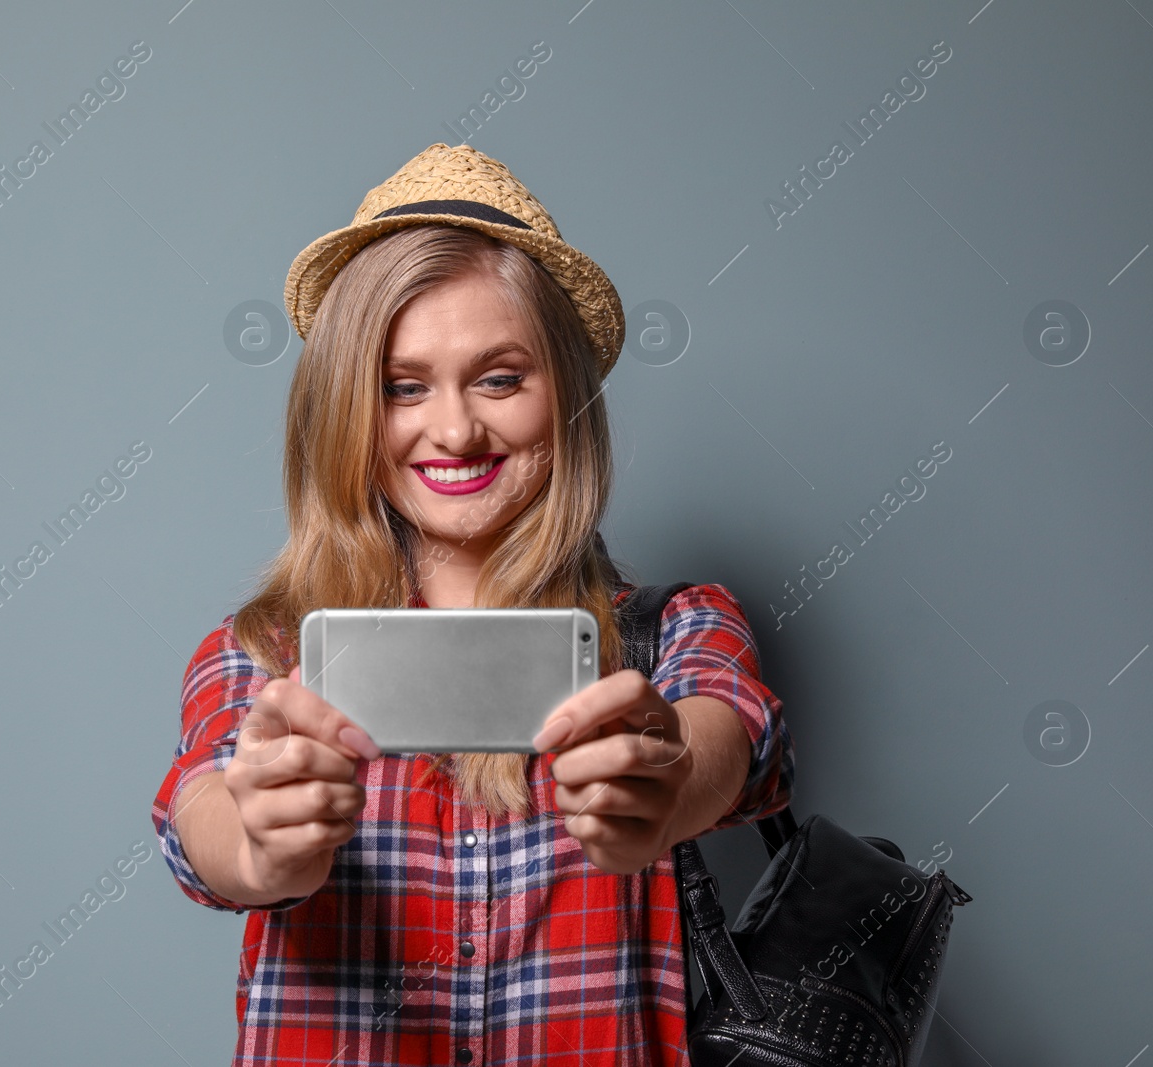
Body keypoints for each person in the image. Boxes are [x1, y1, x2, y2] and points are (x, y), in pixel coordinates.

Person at [151, 142, 794, 1066]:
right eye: (402, 388)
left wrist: (664, 774)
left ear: (564, 395)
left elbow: (732, 739)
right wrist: (259, 843)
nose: (453, 429)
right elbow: (201, 814)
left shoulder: (674, 629)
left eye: (500, 378)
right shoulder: (263, 651)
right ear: (344, 412)